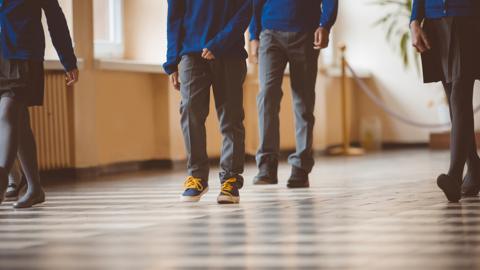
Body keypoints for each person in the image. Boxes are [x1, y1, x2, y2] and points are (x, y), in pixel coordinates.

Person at [163, 0, 251, 204]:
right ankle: (196, 177)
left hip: (230, 53)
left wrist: (220, 42)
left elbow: (247, 8)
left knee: (231, 117)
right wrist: (172, 61)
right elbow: (174, 17)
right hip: (191, 54)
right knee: (190, 112)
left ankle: (230, 179)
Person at [249, 0, 338, 188]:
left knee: (303, 102)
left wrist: (325, 25)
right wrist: (253, 35)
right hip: (270, 33)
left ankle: (301, 167)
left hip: (306, 33)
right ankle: (266, 165)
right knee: (266, 97)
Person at [0, 0, 79, 208]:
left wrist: (68, 59)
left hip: (22, 54)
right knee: (20, 120)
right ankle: (35, 187)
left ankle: (1, 175)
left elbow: (55, 16)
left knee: (8, 112)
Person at [410, 0, 480, 202]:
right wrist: (415, 20)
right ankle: (474, 168)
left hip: (468, 17)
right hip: (434, 21)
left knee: (459, 93)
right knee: (454, 99)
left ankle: (454, 176)